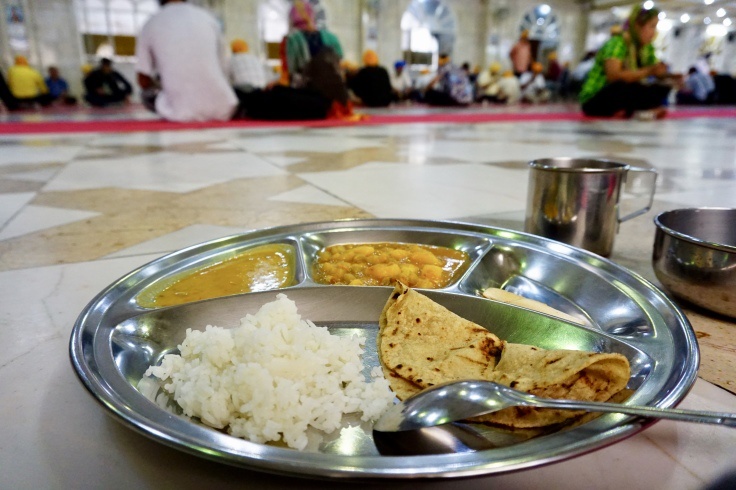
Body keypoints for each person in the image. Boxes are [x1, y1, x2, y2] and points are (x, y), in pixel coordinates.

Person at [239, 0, 350, 120]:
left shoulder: (292, 39)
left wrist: (274, 85)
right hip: (342, 102)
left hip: (314, 101)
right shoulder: (331, 37)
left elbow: (290, 76)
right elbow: (339, 68)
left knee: (273, 93)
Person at [136, 0, 238, 121]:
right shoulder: (208, 18)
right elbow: (224, 67)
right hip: (224, 108)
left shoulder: (150, 23)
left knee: (146, 95)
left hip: (178, 111)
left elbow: (143, 79)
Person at [579, 4, 672, 119]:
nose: (654, 32)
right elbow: (613, 76)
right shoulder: (617, 43)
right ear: (637, 26)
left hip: (624, 94)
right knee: (622, 86)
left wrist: (669, 76)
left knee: (660, 88)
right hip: (596, 99)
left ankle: (626, 110)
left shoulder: (646, 49)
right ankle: (636, 109)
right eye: (652, 27)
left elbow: (654, 71)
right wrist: (648, 71)